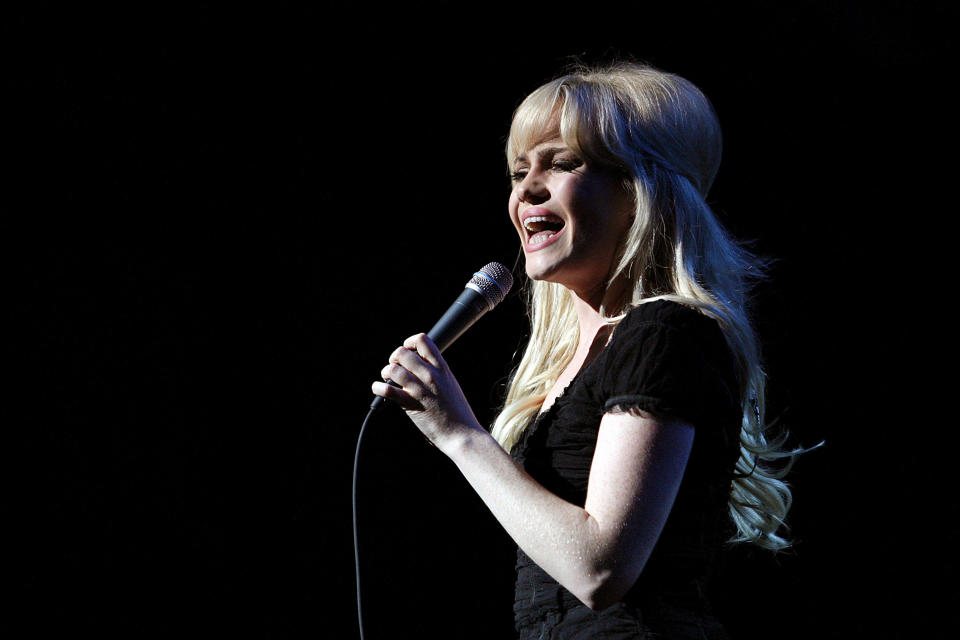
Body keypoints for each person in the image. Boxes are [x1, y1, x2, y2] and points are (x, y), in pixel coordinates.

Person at [372, 62, 802, 639]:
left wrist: (459, 435)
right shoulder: (578, 358)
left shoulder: (665, 332)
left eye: (563, 163)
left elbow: (599, 569)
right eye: (519, 170)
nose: (526, 189)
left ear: (638, 190)